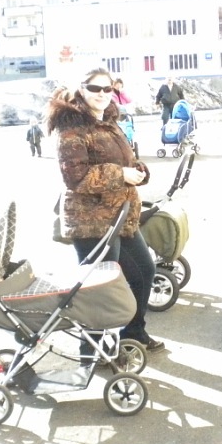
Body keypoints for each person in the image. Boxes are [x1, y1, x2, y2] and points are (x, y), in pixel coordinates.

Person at [45, 69, 164, 352]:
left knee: (143, 272)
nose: (101, 94)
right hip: (91, 221)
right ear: (82, 89)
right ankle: (92, 350)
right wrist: (120, 174)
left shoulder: (108, 122)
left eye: (107, 89)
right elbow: (76, 178)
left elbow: (126, 161)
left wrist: (137, 171)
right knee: (99, 289)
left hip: (121, 217)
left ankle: (133, 333)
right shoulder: (71, 127)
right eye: (94, 88)